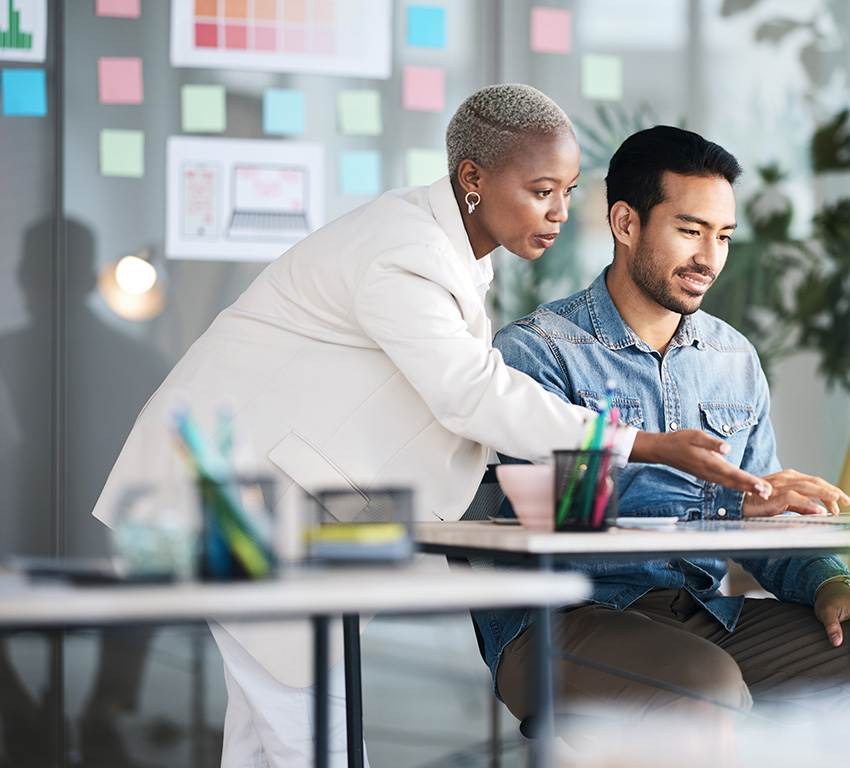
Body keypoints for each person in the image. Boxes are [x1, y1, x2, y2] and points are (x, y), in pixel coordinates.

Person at [91, 86, 772, 766]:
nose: (560, 212)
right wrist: (646, 445)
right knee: (318, 743)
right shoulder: (405, 250)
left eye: (567, 191)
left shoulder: (450, 255)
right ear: (473, 178)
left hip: (262, 506)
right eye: (541, 190)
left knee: (268, 742)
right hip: (225, 505)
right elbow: (468, 392)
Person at [474, 125, 850, 733]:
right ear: (625, 223)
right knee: (705, 688)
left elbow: (768, 511)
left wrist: (831, 582)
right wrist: (731, 502)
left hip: (703, 613)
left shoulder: (733, 358)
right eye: (690, 231)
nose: (710, 258)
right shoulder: (539, 351)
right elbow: (564, 519)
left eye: (722, 236)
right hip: (562, 618)